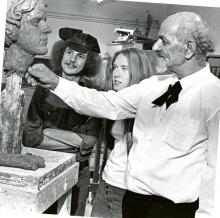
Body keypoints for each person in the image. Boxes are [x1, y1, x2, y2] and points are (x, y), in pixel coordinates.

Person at [26, 11, 220, 218]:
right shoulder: (154, 85)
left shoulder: (214, 96)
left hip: (172, 211)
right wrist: (56, 82)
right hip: (132, 202)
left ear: (189, 48)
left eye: (163, 41)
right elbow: (105, 102)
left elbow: (216, 174)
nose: (155, 47)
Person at [22, 27, 102, 216]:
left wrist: (47, 134)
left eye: (80, 56)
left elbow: (90, 141)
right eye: (69, 52)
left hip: (79, 171)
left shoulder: (93, 94)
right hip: (45, 167)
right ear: (61, 53)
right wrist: (76, 144)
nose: (72, 60)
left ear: (88, 62)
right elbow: (30, 137)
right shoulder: (43, 88)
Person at [91, 48, 157, 218]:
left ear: (138, 72)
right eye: (115, 67)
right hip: (106, 183)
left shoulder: (148, 107)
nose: (116, 74)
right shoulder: (116, 102)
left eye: (124, 69)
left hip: (127, 192)